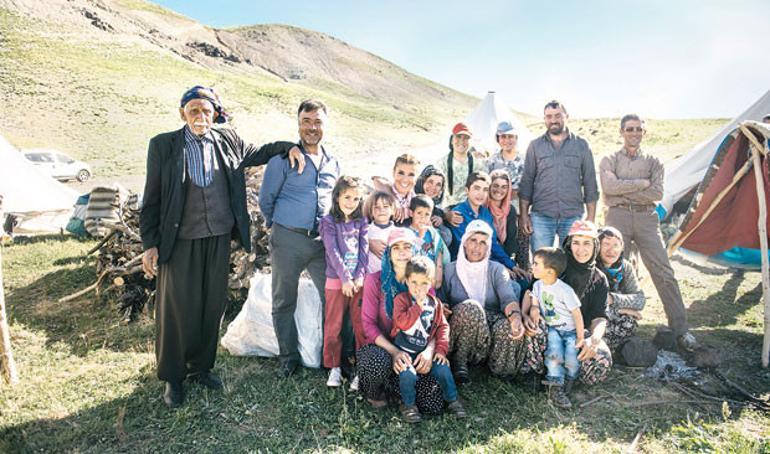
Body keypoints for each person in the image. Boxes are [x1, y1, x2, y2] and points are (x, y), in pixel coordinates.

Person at [140, 85, 304, 407]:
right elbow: (153, 197)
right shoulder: (164, 145)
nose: (200, 117)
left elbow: (259, 152)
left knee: (210, 305)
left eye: (206, 111)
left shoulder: (228, 140)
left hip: (217, 238)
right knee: (177, 311)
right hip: (180, 240)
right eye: (193, 111)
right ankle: (173, 377)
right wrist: (150, 244)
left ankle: (201, 368)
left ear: (215, 113)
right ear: (182, 113)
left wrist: (290, 147)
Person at [598, 114, 698, 351]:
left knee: (662, 270)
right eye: (629, 129)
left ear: (645, 133)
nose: (634, 133)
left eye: (639, 129)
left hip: (646, 218)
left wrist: (624, 189)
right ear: (621, 132)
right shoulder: (609, 159)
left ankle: (681, 329)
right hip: (617, 216)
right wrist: (640, 184)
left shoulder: (654, 162)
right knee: (612, 267)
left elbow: (656, 193)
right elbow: (608, 189)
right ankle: (611, 324)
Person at [259, 99, 341, 377]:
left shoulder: (333, 162)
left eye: (317, 121)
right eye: (306, 121)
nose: (312, 127)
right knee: (284, 300)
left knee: (332, 297)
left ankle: (331, 357)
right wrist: (279, 228)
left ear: (325, 125)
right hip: (288, 240)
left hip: (321, 244)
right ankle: (288, 357)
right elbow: (265, 199)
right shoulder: (282, 160)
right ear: (298, 123)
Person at [357, 228, 445, 415]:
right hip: (382, 349)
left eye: (407, 246)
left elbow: (435, 323)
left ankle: (399, 391)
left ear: (415, 251)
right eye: (396, 247)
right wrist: (395, 352)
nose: (402, 251)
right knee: (376, 362)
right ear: (389, 252)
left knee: (433, 403)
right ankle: (378, 393)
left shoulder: (422, 280)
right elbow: (368, 325)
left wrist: (429, 351)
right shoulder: (375, 281)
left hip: (412, 352)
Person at [523, 221, 612, 388]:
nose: (581, 249)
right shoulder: (555, 265)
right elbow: (531, 293)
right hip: (547, 327)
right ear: (569, 244)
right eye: (576, 243)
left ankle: (569, 376)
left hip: (576, 334)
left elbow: (600, 317)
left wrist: (594, 339)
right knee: (537, 327)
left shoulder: (599, 279)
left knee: (602, 359)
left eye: (587, 243)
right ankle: (537, 372)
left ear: (595, 246)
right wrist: (527, 313)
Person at [439, 220, 527, 383]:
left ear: (488, 247)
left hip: (490, 326)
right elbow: (442, 299)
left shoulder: (496, 269)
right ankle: (460, 363)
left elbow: (508, 298)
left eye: (482, 243)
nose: (477, 247)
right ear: (464, 243)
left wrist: (515, 318)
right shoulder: (450, 269)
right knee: (471, 308)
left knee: (507, 325)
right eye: (473, 240)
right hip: (463, 325)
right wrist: (443, 307)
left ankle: (498, 369)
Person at [391, 256, 466, 423]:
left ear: (431, 283)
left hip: (426, 352)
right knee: (407, 374)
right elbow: (402, 323)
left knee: (443, 370)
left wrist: (440, 350)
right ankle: (408, 405)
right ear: (407, 281)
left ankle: (453, 400)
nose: (419, 288)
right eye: (414, 282)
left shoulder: (435, 304)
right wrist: (417, 307)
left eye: (424, 283)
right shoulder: (401, 300)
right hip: (405, 353)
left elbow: (442, 327)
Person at [519, 100, 599, 251]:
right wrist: (524, 215)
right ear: (544, 119)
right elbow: (527, 182)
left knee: (571, 262)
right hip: (541, 215)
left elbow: (590, 183)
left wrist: (591, 218)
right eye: (549, 116)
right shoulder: (535, 146)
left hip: (572, 215)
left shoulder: (581, 145)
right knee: (542, 261)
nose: (553, 120)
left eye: (557, 115)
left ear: (566, 116)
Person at [319, 176, 369, 388]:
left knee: (360, 325)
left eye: (356, 199)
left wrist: (358, 276)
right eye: (347, 197)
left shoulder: (362, 222)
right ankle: (334, 367)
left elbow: (364, 251)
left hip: (357, 283)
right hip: (336, 281)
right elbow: (332, 251)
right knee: (334, 325)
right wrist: (346, 278)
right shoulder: (328, 222)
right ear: (337, 196)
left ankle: (360, 368)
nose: (351, 202)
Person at [525, 247, 584, 408]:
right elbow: (534, 300)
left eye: (536, 264)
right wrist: (534, 309)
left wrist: (580, 336)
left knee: (572, 356)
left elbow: (577, 314)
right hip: (553, 329)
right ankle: (555, 385)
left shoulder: (564, 290)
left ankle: (570, 379)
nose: (533, 267)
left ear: (550, 271)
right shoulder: (537, 285)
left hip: (570, 330)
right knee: (554, 353)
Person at [448, 171, 529, 283]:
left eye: (485, 190)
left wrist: (512, 265)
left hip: (488, 262)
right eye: (477, 188)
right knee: (511, 284)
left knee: (523, 281)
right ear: (467, 190)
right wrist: (498, 267)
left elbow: (493, 243)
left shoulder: (485, 213)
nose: (481, 194)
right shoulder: (458, 214)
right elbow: (470, 250)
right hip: (467, 267)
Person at [596, 226, 646, 352]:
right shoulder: (591, 267)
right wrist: (626, 310)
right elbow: (594, 303)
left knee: (629, 322)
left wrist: (613, 298)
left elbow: (640, 300)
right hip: (594, 318)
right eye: (606, 244)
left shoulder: (625, 267)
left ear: (622, 247)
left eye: (616, 245)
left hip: (612, 315)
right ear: (597, 246)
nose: (611, 250)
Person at [486, 169, 530, 271]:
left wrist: (509, 265)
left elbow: (511, 241)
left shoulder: (510, 210)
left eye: (504, 187)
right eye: (495, 185)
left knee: (523, 282)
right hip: (488, 258)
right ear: (489, 186)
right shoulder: (483, 208)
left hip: (505, 257)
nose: (499, 190)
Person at [435, 122, 483, 209]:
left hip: (471, 210)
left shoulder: (479, 165)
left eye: (466, 138)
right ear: (452, 140)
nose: (461, 141)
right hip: (447, 211)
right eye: (458, 137)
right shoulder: (441, 164)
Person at [407, 195, 450, 288]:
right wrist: (420, 236)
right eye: (419, 213)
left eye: (427, 214)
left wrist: (437, 279)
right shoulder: (406, 233)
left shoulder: (432, 233)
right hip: (414, 279)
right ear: (411, 213)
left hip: (431, 279)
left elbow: (439, 253)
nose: (423, 218)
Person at [372, 154, 419, 225]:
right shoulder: (384, 194)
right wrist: (392, 200)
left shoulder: (414, 198)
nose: (405, 179)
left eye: (411, 174)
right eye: (401, 173)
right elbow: (377, 180)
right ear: (393, 173)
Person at [487, 121, 525, 206]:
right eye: (503, 137)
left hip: (518, 210)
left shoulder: (525, 161)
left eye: (510, 136)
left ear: (516, 138)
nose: (507, 140)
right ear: (498, 139)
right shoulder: (491, 161)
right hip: (495, 210)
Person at [414, 165, 452, 247]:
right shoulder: (411, 201)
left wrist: (441, 219)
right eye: (430, 182)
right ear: (422, 181)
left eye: (438, 184)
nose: (433, 187)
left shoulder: (436, 210)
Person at [364, 191, 396, 274]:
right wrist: (368, 242)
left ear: (393, 210)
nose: (381, 210)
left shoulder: (398, 232)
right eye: (376, 207)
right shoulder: (365, 230)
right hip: (370, 277)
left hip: (391, 277)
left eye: (385, 206)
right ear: (371, 212)